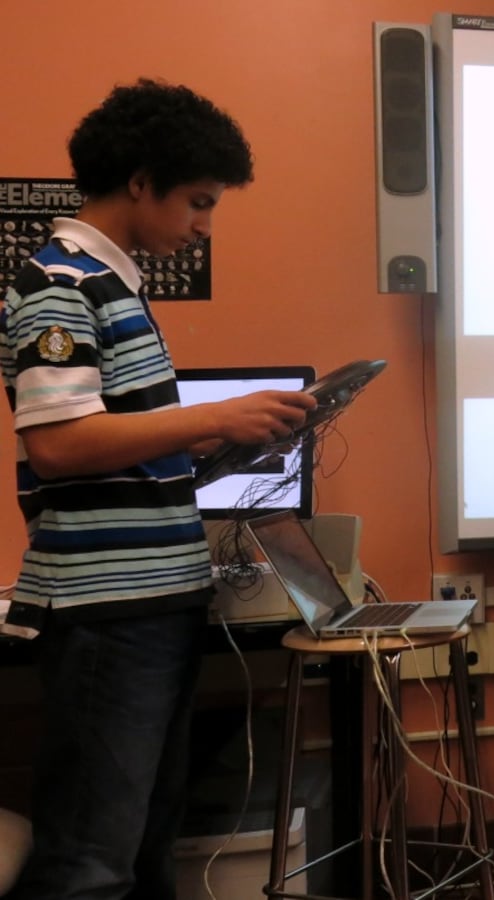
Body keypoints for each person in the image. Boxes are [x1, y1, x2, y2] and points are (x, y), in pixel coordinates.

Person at [1, 80, 317, 898]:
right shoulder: (60, 284)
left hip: (155, 600)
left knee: (143, 845)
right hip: (110, 610)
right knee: (92, 857)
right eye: (199, 202)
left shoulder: (116, 284)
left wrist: (224, 438)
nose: (205, 225)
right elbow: (61, 443)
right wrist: (216, 415)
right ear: (140, 181)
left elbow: (121, 451)